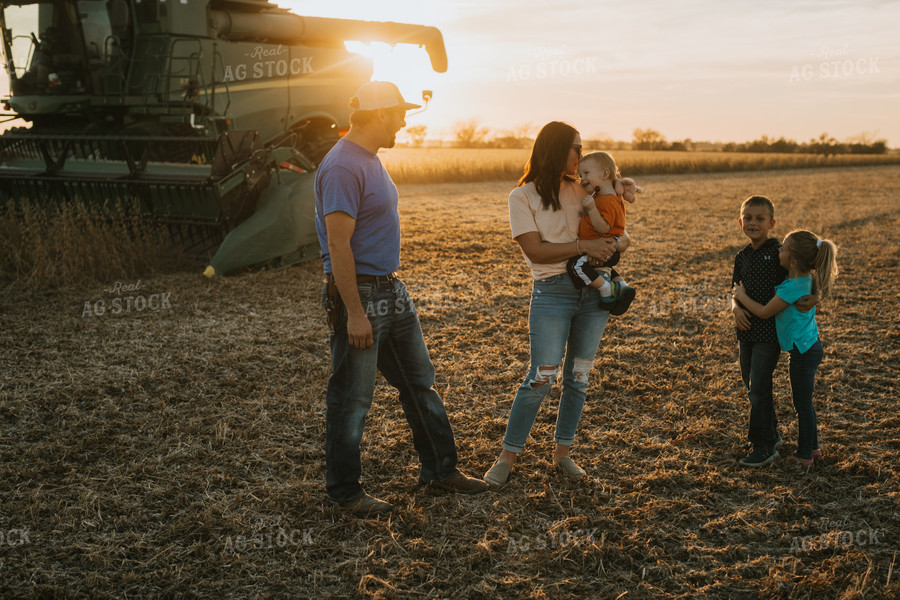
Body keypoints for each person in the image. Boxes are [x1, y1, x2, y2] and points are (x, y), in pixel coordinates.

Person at [315, 80, 488, 517]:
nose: (404, 122)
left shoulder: (370, 158)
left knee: (419, 382)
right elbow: (338, 246)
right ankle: (345, 495)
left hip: (391, 289)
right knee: (352, 398)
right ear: (375, 115)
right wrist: (354, 312)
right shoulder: (342, 166)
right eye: (398, 114)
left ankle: (440, 470)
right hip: (364, 295)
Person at [484, 121, 628, 486]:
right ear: (555, 148)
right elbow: (534, 249)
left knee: (578, 377)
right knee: (541, 378)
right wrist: (584, 247)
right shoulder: (522, 196)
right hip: (552, 292)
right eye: (577, 148)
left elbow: (618, 221)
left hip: (594, 293)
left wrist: (615, 244)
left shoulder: (583, 187)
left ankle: (563, 453)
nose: (582, 156)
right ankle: (508, 455)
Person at [734, 230, 837, 470]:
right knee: (804, 403)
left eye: (783, 249)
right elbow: (813, 285)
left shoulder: (792, 288)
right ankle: (812, 449)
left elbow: (763, 312)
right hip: (807, 347)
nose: (779, 249)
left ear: (793, 261)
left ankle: (805, 455)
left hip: (803, 352)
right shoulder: (805, 280)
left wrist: (741, 296)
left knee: (802, 404)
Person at [730, 196, 816, 468]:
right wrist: (735, 307)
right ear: (740, 221)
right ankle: (773, 434)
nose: (753, 223)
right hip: (745, 332)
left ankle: (763, 446)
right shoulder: (741, 257)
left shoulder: (779, 252)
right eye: (748, 218)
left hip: (768, 334)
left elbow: (804, 275)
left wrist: (818, 295)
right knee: (751, 385)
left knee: (759, 389)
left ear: (772, 223)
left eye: (760, 218)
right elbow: (736, 290)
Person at [565, 151, 638, 314]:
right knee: (603, 266)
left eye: (586, 173)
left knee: (576, 266)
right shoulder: (606, 195)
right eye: (580, 174)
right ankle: (623, 286)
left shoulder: (607, 201)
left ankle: (607, 290)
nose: (582, 178)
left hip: (602, 246)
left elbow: (604, 227)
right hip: (606, 248)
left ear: (605, 173)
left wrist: (591, 208)